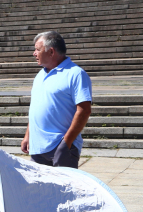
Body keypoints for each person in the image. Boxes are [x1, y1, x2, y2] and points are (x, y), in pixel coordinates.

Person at [21, 31, 92, 168]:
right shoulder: (40, 75)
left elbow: (84, 110)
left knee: (64, 188)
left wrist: (67, 143)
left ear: (51, 52)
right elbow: (36, 108)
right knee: (39, 189)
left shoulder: (75, 74)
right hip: (37, 148)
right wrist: (28, 135)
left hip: (60, 146)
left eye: (37, 49)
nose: (34, 53)